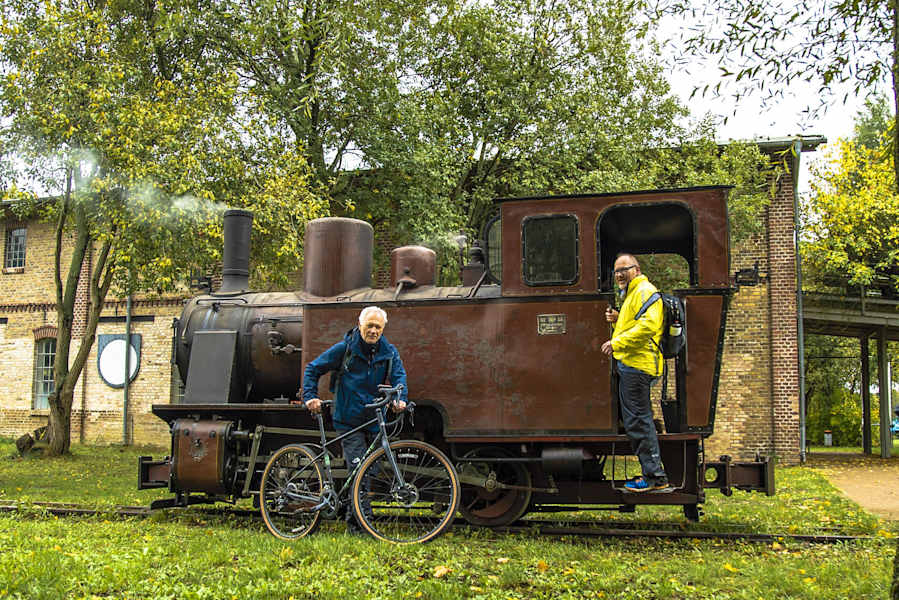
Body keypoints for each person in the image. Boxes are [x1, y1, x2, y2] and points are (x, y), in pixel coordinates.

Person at [299, 305, 408, 533]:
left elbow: (399, 378)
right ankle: (359, 526)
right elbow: (312, 369)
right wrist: (310, 396)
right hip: (348, 419)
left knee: (371, 469)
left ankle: (354, 516)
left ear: (383, 328)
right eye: (370, 326)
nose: (373, 331)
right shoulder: (344, 349)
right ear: (360, 325)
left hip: (373, 418)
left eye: (378, 327)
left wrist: (400, 399)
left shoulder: (389, 352)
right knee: (358, 469)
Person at [601, 254, 670, 492]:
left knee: (639, 421)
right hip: (633, 364)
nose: (619, 274)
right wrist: (618, 318)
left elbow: (649, 326)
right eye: (616, 271)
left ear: (637, 269)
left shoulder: (644, 290)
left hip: (638, 366)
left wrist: (616, 343)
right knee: (637, 419)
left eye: (624, 269)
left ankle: (655, 477)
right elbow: (637, 322)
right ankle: (654, 473)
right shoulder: (633, 293)